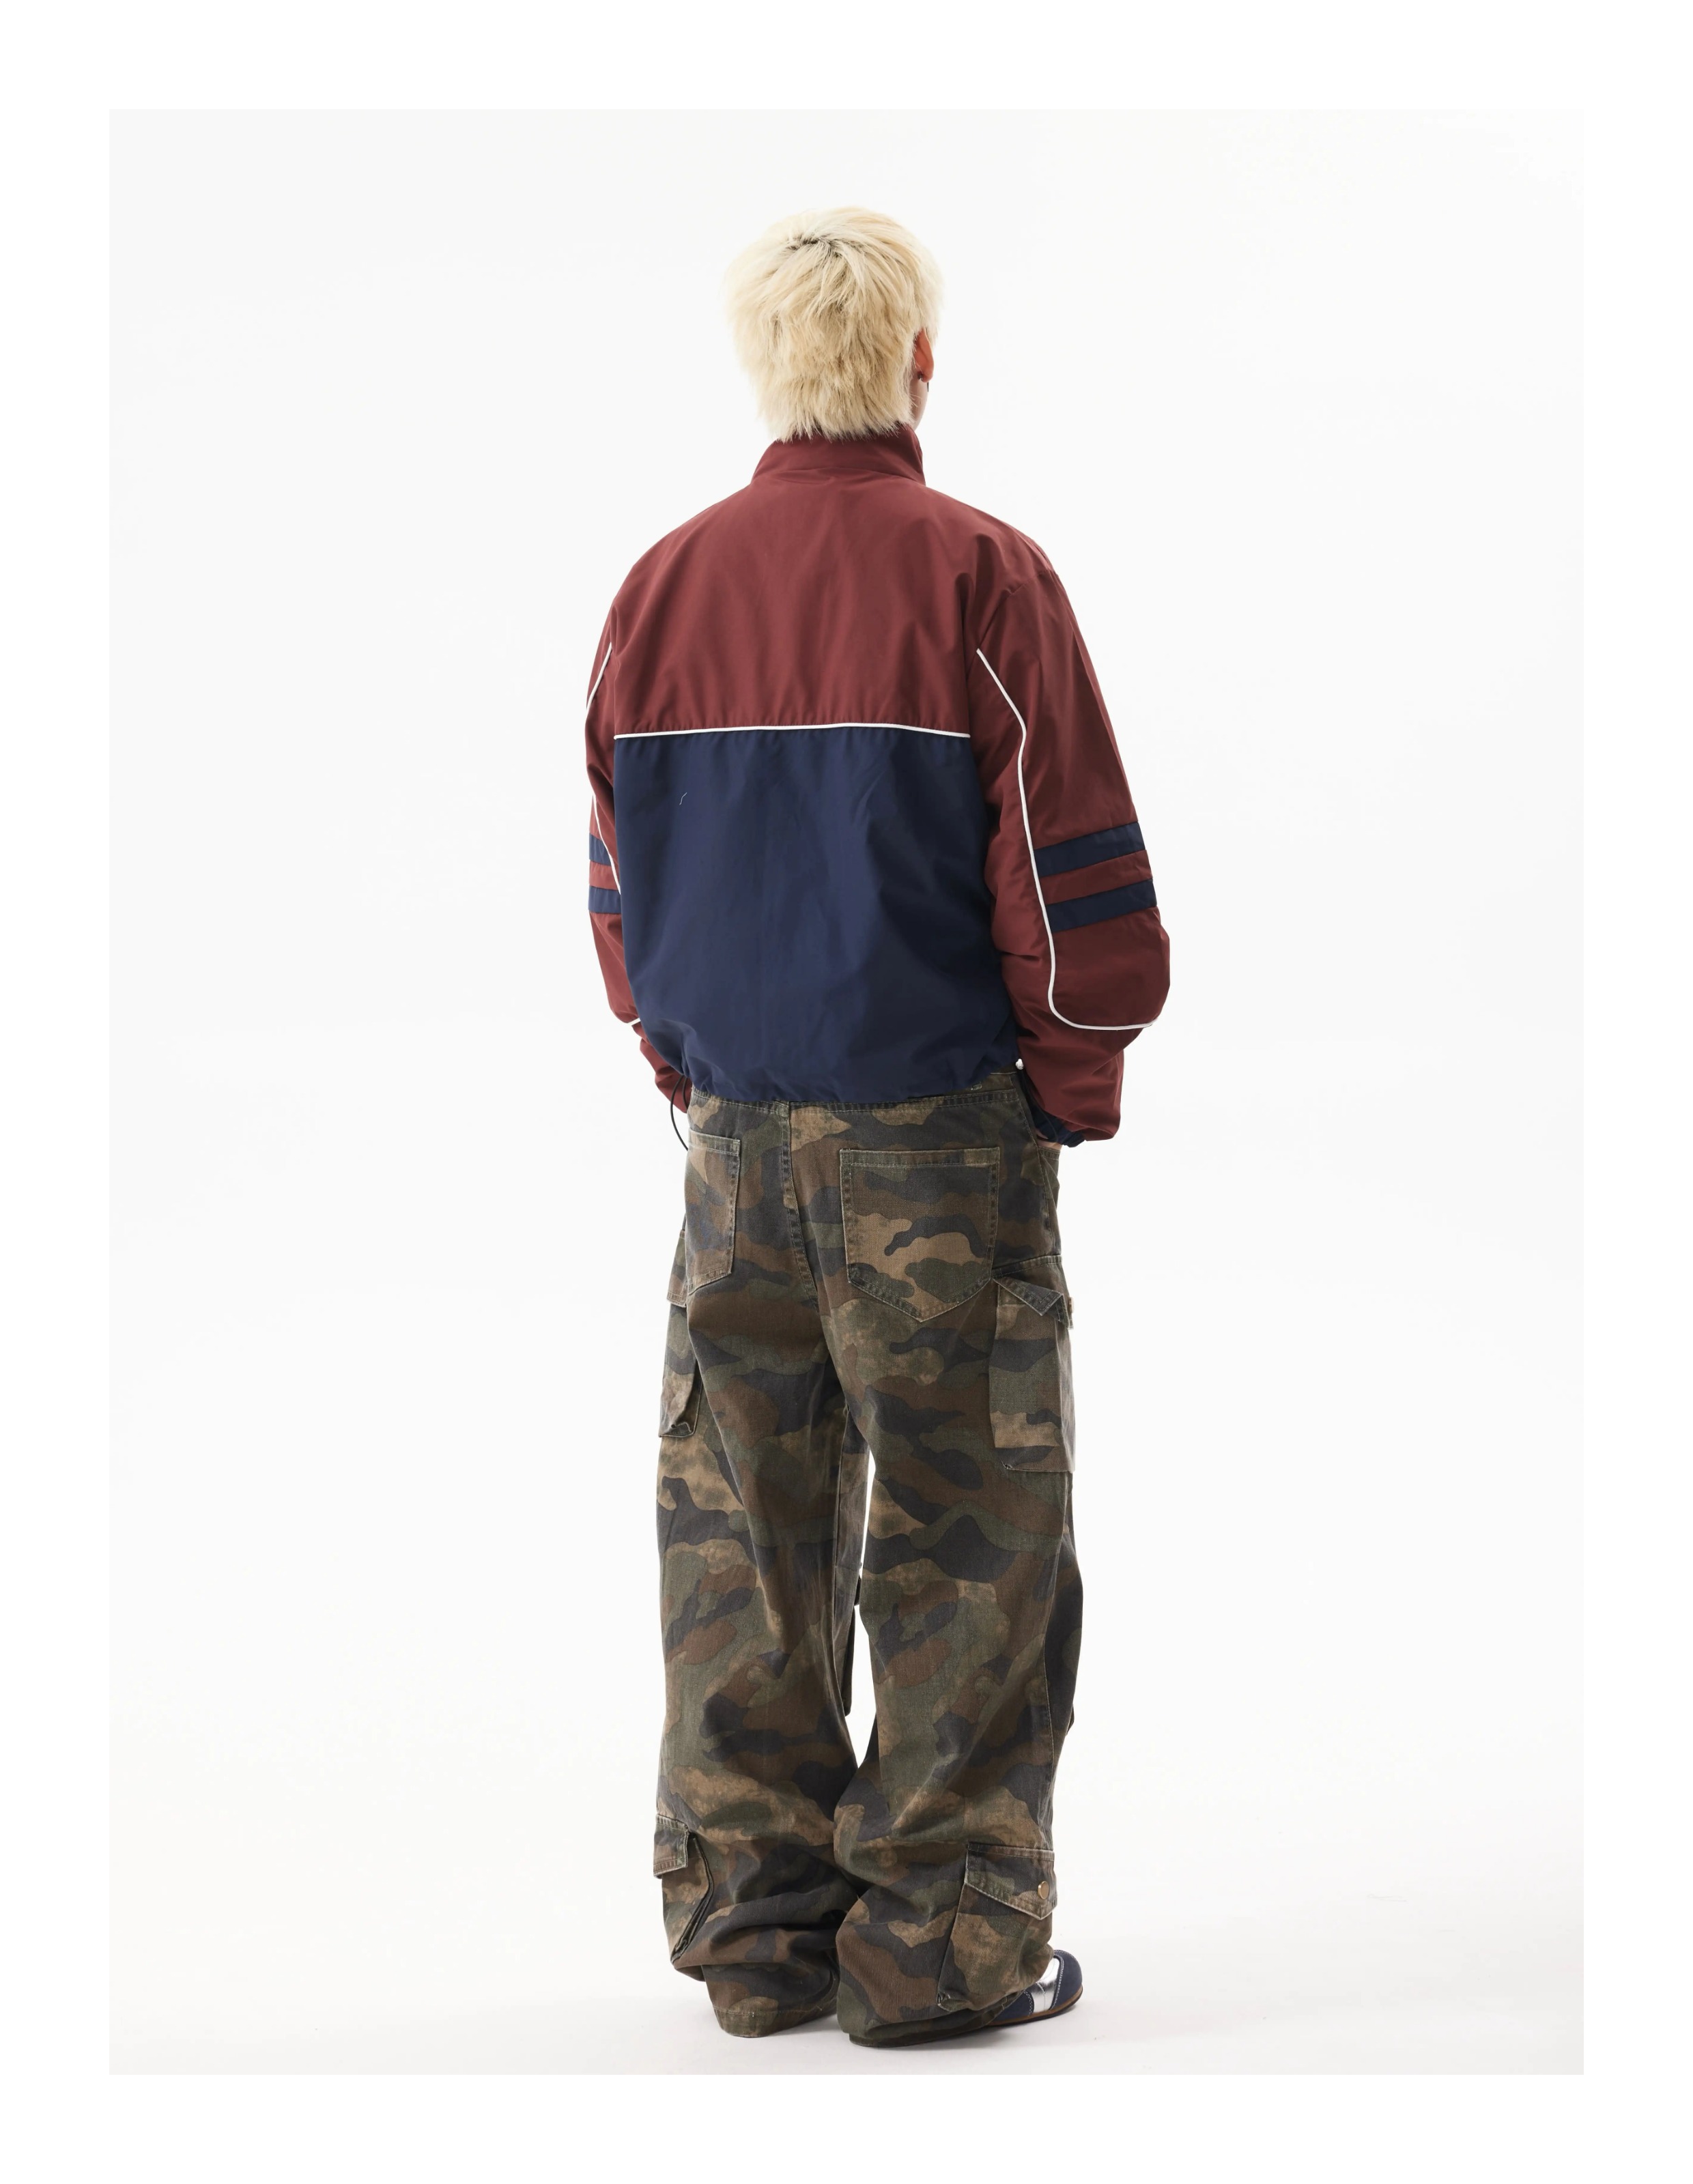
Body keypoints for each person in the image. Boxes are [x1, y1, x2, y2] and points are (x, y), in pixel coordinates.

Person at [584, 207, 1169, 2047]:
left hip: (736, 1147)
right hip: (940, 1138)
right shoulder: (983, 575)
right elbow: (1070, 876)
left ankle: (755, 1931)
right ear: (918, 360)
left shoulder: (661, 588)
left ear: (762, 364)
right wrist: (1069, 1084)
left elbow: (620, 888)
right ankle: (938, 1947)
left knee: (737, 1527)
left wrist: (691, 1077)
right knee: (967, 1533)